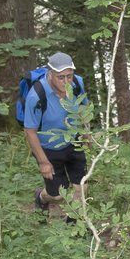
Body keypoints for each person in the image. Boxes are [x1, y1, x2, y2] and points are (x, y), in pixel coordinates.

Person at [23, 52, 89, 214]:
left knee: (81, 187)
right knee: (57, 195)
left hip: (74, 141)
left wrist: (87, 134)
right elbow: (30, 132)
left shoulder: (77, 83)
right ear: (51, 74)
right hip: (49, 148)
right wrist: (43, 162)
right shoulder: (36, 95)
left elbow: (83, 109)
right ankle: (41, 197)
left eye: (69, 76)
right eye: (61, 77)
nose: (66, 82)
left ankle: (73, 223)